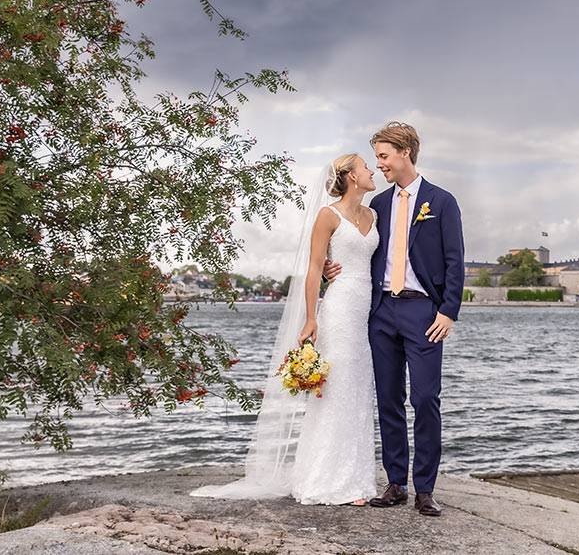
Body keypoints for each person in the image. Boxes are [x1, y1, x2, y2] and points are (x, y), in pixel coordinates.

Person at [191, 154, 380, 506]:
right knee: (335, 393)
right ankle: (326, 479)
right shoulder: (328, 215)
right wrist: (311, 317)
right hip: (338, 311)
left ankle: (356, 478)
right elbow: (312, 270)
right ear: (352, 177)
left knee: (357, 392)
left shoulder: (374, 215)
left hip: (366, 313)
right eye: (366, 167)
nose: (372, 171)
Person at [325, 121, 464, 517]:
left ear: (405, 153)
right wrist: (327, 269)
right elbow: (352, 247)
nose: (379, 164)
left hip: (424, 311)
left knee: (425, 398)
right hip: (381, 310)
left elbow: (456, 261)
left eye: (384, 156)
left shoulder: (442, 202)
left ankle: (425, 489)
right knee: (389, 399)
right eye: (376, 158)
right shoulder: (378, 206)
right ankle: (396, 483)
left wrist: (448, 311)